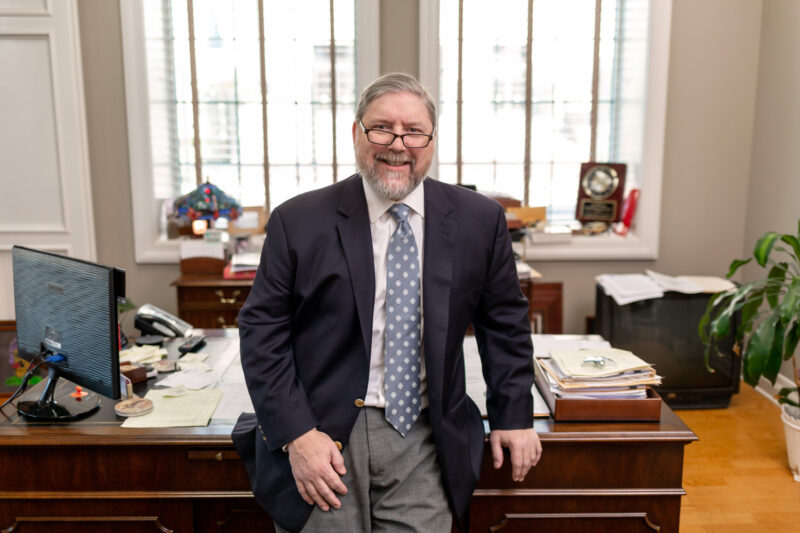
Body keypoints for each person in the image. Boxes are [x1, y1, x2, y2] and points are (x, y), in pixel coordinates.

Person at [233, 72, 541, 533]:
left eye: (414, 131)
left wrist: (513, 414)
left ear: (432, 140)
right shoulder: (298, 221)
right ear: (356, 133)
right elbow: (262, 332)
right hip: (324, 433)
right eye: (382, 127)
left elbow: (504, 324)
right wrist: (296, 434)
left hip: (424, 434)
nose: (398, 144)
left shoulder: (480, 220)